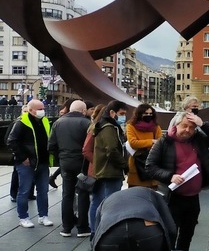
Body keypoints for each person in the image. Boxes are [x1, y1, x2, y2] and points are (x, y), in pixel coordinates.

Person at [146, 110, 209, 251]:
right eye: (184, 126)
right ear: (176, 126)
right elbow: (150, 166)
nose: (188, 130)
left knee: (187, 235)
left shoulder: (197, 139)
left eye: (192, 127)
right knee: (170, 234)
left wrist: (203, 124)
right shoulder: (164, 142)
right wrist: (170, 176)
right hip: (173, 198)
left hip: (193, 198)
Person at [6, 99, 53, 228]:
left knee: (43, 190)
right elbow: (11, 141)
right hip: (27, 162)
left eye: (43, 108)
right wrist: (22, 157)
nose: (42, 111)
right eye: (39, 109)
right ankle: (23, 217)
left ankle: (43, 216)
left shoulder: (44, 121)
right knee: (24, 190)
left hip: (43, 161)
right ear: (31, 110)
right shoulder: (21, 123)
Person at [48, 99, 91, 237]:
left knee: (67, 194)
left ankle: (66, 227)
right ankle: (82, 228)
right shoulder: (87, 123)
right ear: (83, 111)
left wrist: (61, 158)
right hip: (82, 164)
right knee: (83, 194)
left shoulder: (58, 123)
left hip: (65, 163)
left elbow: (51, 146)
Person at [86, 101, 128, 233]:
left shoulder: (101, 125)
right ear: (112, 113)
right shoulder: (109, 127)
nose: (123, 117)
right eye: (121, 114)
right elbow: (111, 149)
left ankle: (95, 229)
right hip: (110, 171)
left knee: (97, 201)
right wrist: (124, 165)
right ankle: (106, 230)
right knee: (111, 203)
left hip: (101, 170)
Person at [126, 104, 162, 189]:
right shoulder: (131, 126)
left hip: (152, 164)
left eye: (151, 114)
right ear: (139, 114)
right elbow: (133, 143)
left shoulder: (156, 127)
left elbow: (160, 143)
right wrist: (152, 141)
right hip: (136, 166)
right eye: (146, 113)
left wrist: (142, 143)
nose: (149, 115)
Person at [49, 98, 75, 189]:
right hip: (66, 147)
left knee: (65, 165)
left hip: (62, 149)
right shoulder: (67, 116)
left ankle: (53, 177)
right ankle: (53, 177)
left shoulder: (62, 114)